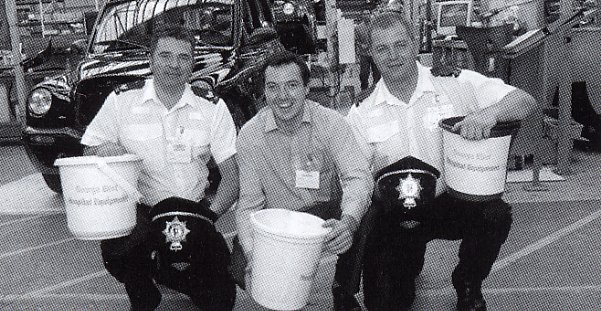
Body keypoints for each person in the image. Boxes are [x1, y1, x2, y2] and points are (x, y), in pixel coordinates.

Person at [345, 8, 538, 311]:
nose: (393, 55)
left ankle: (468, 281)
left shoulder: (453, 82)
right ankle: (409, 258)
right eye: (382, 48)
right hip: (396, 211)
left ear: (414, 44)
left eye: (400, 44)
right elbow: (356, 179)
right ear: (370, 53)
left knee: (495, 214)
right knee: (386, 305)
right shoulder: (360, 112)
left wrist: (488, 113)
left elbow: (524, 101)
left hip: (451, 200)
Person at [80, 25, 239, 310]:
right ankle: (142, 288)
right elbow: (89, 147)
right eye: (165, 56)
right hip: (143, 213)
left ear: (193, 62)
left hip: (193, 211)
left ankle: (179, 276)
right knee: (117, 250)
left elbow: (232, 177)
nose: (174, 65)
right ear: (151, 59)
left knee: (220, 299)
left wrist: (207, 218)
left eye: (183, 57)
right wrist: (105, 149)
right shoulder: (122, 101)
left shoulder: (212, 107)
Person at [232, 51, 373, 311]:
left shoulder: (331, 122)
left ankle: (343, 290)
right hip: (280, 223)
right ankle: (284, 296)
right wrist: (254, 256)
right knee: (239, 264)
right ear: (264, 91)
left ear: (307, 88)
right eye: (273, 87)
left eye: (292, 85)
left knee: (365, 212)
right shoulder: (250, 136)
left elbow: (357, 177)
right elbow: (249, 204)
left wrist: (348, 222)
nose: (282, 96)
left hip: (323, 216)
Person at [355, 10, 380, 90]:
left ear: (370, 15)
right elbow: (356, 41)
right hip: (364, 55)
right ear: (362, 16)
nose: (366, 15)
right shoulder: (358, 28)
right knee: (364, 74)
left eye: (368, 14)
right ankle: (364, 89)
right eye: (365, 14)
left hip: (374, 54)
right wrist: (361, 45)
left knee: (377, 73)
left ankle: (376, 89)